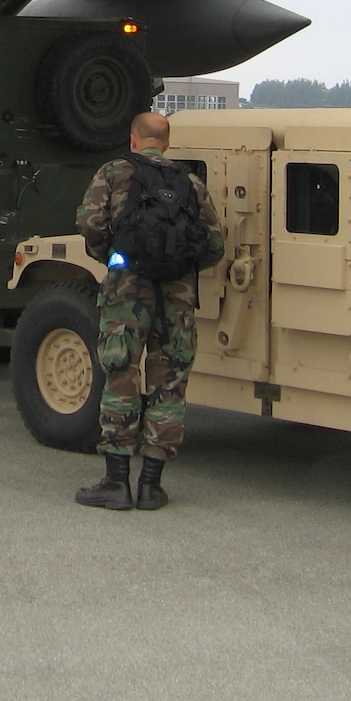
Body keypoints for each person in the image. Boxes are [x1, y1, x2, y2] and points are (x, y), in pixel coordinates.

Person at [73, 110, 224, 511]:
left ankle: (116, 482)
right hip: (177, 294)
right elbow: (214, 245)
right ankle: (151, 486)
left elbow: (89, 223)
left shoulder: (114, 173)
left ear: (133, 139)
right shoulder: (190, 183)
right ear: (168, 142)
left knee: (121, 374)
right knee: (168, 381)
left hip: (127, 289)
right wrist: (178, 269)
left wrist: (114, 257)